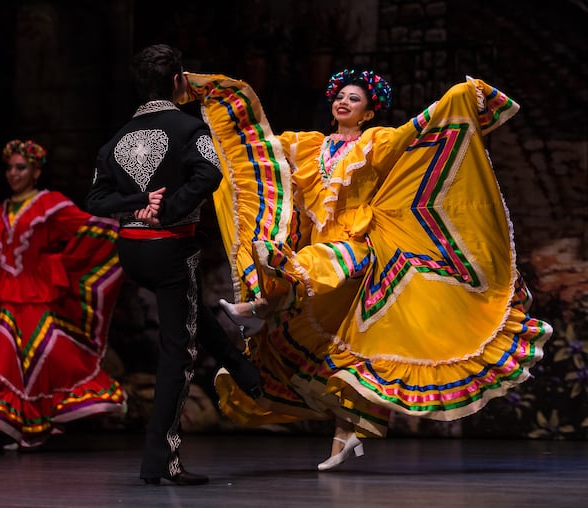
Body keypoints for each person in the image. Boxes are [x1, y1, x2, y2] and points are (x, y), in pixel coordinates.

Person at [184, 68, 554, 471]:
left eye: (354, 99)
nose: (343, 102)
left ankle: (260, 308)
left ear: (367, 112)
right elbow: (259, 153)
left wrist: (460, 98)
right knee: (348, 360)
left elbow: (416, 133)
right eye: (340, 96)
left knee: (319, 261)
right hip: (325, 263)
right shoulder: (308, 146)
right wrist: (216, 120)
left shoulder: (377, 140)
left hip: (363, 244)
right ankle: (345, 439)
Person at [85, 43, 261, 486]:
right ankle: (159, 460)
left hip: (132, 251)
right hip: (170, 249)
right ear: (179, 81)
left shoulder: (116, 140)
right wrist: (166, 207)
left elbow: (96, 199)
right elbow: (211, 173)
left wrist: (137, 202)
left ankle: (244, 371)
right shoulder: (188, 127)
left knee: (185, 314)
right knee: (177, 354)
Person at [0, 139, 126, 450]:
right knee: (12, 362)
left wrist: (130, 227)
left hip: (38, 295)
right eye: (9, 168)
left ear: (36, 172)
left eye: (21, 168)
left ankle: (37, 425)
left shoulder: (50, 205)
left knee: (41, 358)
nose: (13, 174)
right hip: (6, 297)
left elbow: (89, 228)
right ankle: (32, 426)